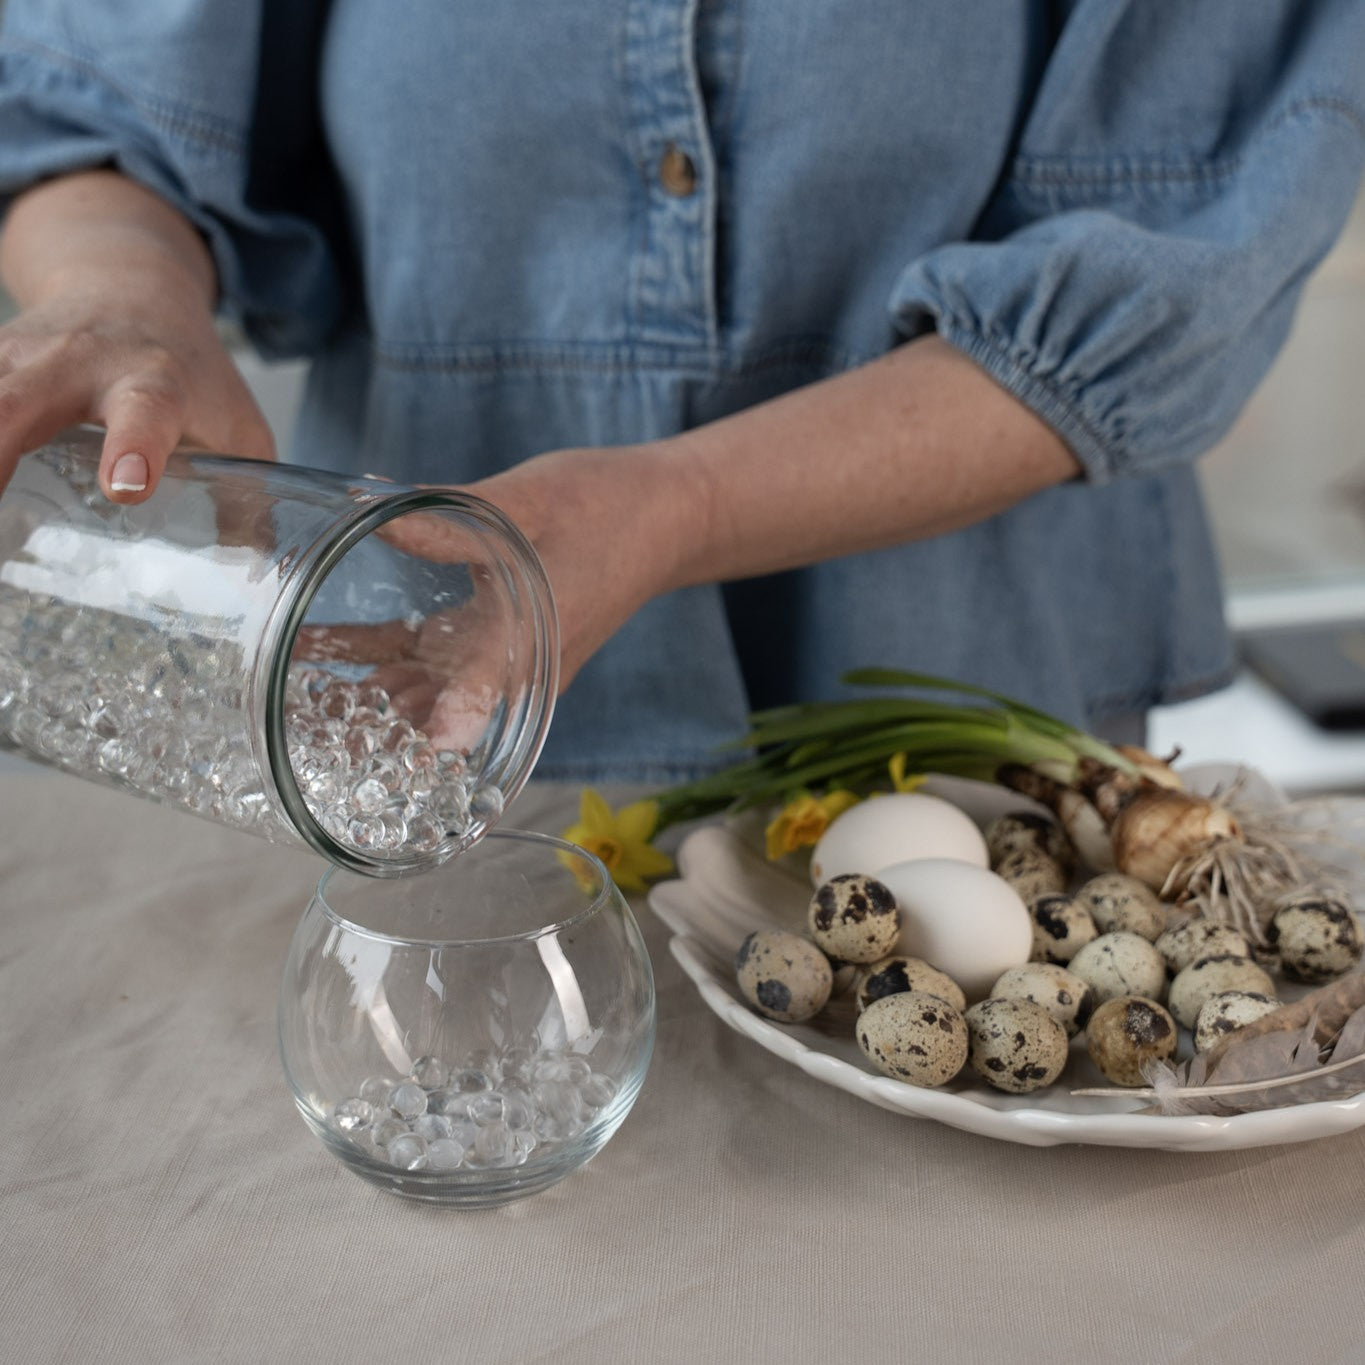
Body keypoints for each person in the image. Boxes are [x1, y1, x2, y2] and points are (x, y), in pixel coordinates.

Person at [0, 2, 1360, 785]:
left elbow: (1177, 255)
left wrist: (675, 500)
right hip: (411, 729)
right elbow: (97, 111)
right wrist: (123, 297)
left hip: (972, 717)